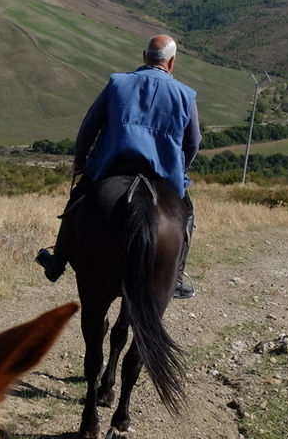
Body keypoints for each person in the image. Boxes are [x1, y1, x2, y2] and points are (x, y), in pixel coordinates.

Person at [36, 34, 201, 298]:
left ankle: (58, 260)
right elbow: (193, 142)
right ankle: (177, 274)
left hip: (112, 166)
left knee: (78, 197)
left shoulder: (117, 82)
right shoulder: (186, 95)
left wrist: (80, 159)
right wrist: (180, 171)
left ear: (144, 56)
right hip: (163, 173)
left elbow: (90, 124)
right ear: (171, 63)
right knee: (186, 213)